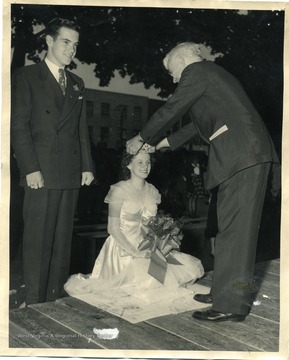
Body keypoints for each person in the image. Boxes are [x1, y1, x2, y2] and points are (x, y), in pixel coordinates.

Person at [126, 42, 280, 322]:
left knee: (236, 233)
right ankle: (223, 292)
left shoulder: (197, 71)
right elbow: (194, 127)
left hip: (243, 156)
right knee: (228, 229)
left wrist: (141, 138)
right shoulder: (211, 78)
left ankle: (231, 304)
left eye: (172, 71)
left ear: (185, 58)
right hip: (241, 156)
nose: (173, 79)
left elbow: (172, 108)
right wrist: (156, 145)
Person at [11, 18, 94, 306]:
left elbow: (82, 130)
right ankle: (34, 302)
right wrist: (30, 168)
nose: (72, 50)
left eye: (75, 45)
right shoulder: (26, 76)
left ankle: (55, 299)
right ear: (49, 41)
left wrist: (87, 166)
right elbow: (18, 127)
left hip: (70, 173)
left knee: (62, 242)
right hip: (41, 172)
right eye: (66, 42)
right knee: (37, 241)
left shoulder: (77, 83)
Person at [64, 148, 204, 304]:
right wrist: (134, 252)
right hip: (123, 246)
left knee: (172, 275)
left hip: (147, 246)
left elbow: (153, 224)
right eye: (140, 162)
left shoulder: (152, 191)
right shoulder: (119, 190)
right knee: (145, 285)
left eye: (148, 162)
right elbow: (113, 228)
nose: (145, 166)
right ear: (129, 165)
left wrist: (165, 240)